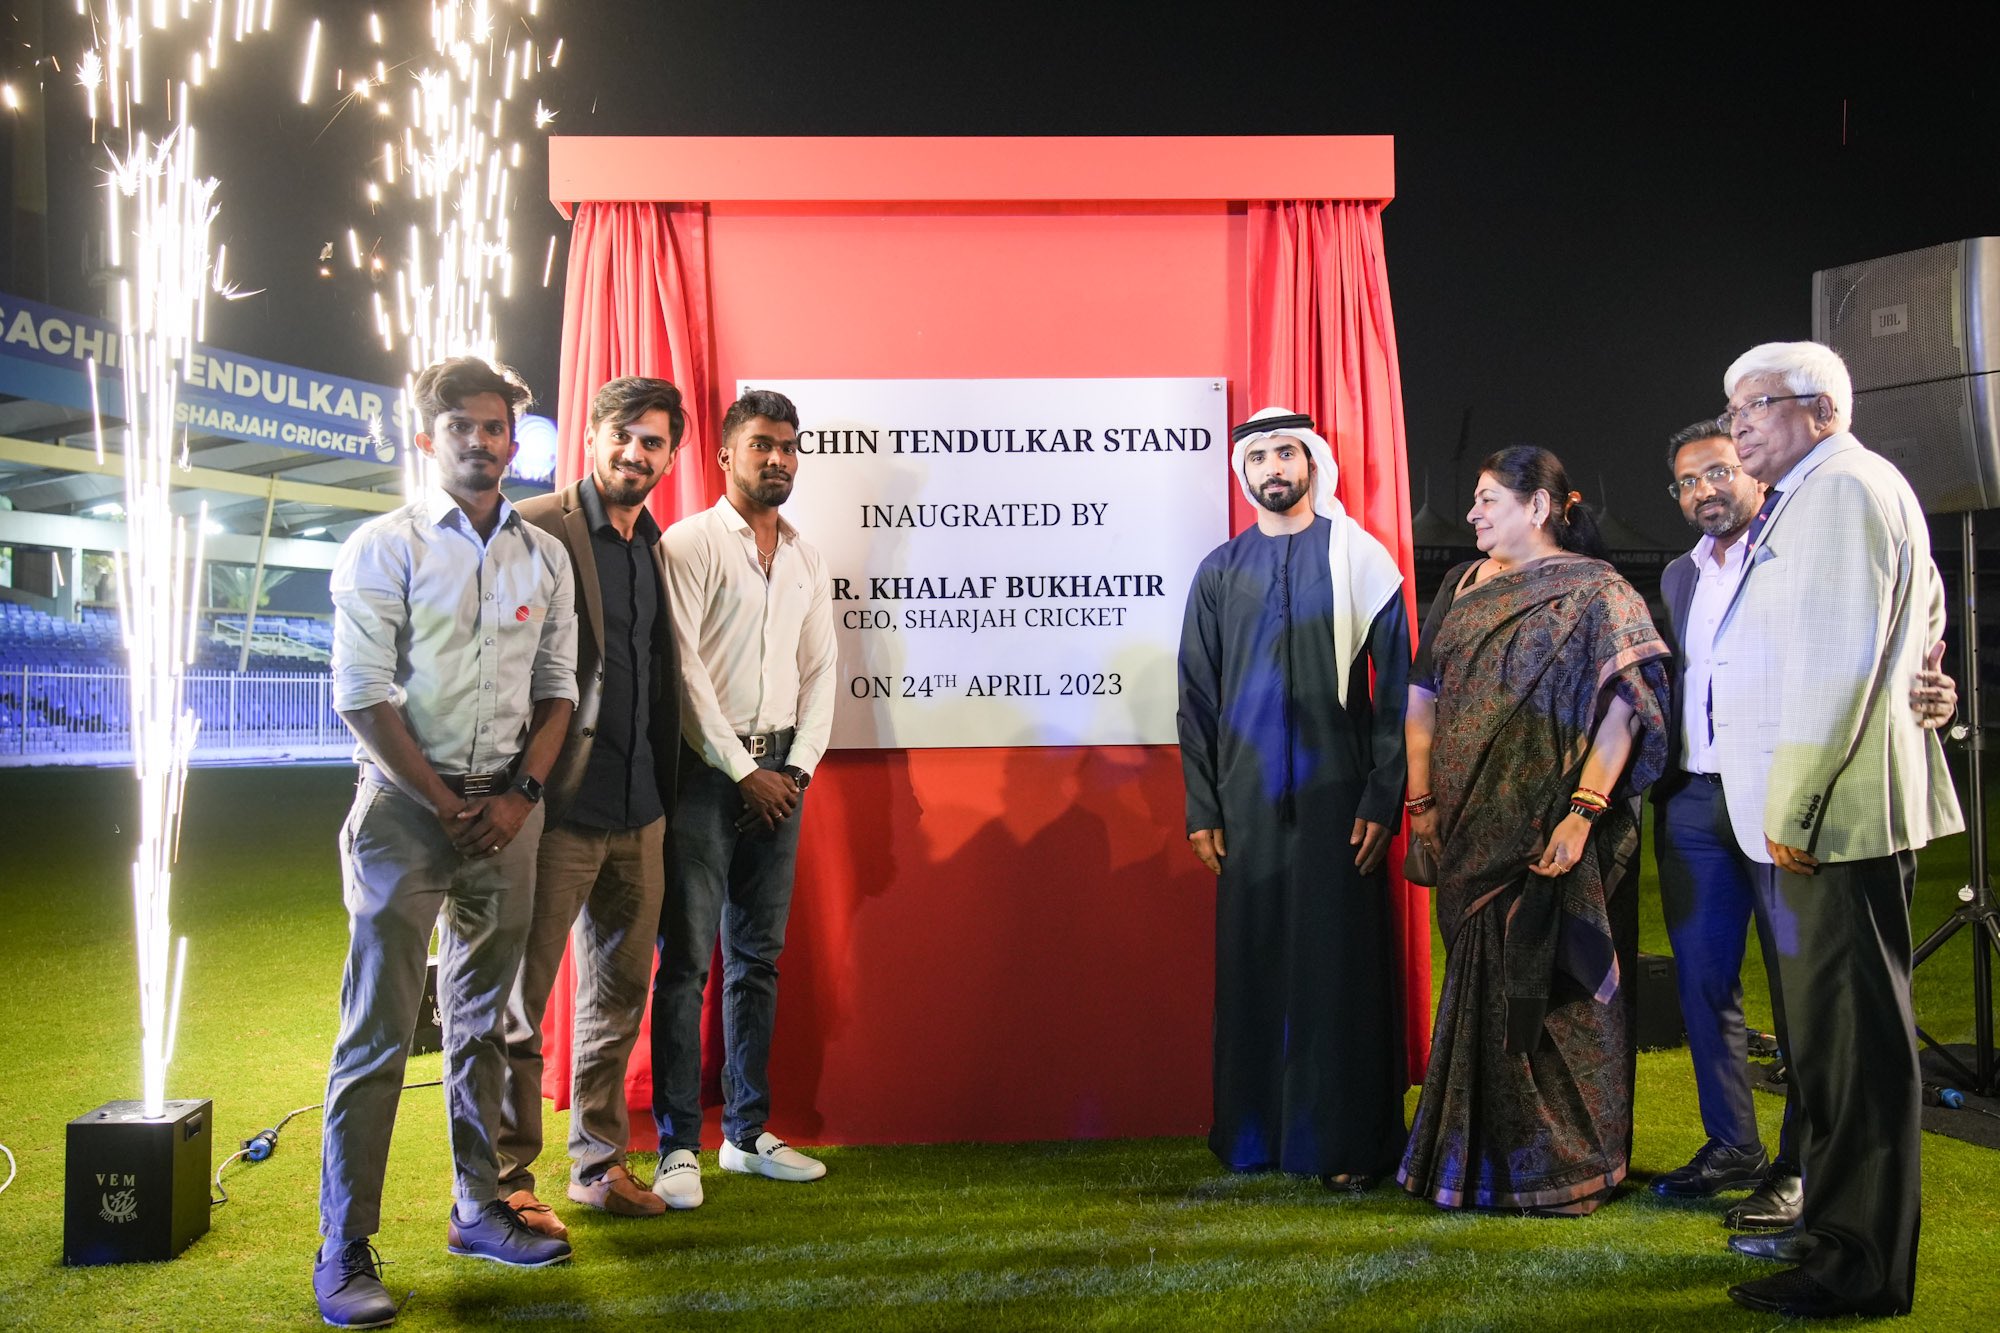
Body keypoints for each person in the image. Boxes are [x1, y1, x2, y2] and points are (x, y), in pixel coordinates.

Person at [315, 357, 579, 1328]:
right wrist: (440, 801)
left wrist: (519, 797)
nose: (480, 440)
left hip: (508, 815)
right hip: (402, 815)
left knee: (484, 1026)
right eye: (460, 426)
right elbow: (360, 694)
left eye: (494, 426)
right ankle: (344, 1245)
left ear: (513, 439)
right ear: (428, 439)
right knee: (377, 1033)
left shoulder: (542, 556)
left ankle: (479, 1208)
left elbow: (558, 692)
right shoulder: (383, 547)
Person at [1649, 423, 1958, 1240]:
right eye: (1686, 482)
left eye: (1718, 470)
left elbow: (1898, 628)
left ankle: (1800, 1167)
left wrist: (1931, 687)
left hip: (1783, 796)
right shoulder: (1679, 576)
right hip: (1694, 801)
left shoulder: (1799, 547)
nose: (1703, 491)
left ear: (1752, 470)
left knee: (1802, 995)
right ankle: (1731, 1146)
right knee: (1704, 983)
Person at [1708, 342, 1961, 1319]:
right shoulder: (1823, 492)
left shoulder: (1843, 489)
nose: (1736, 423)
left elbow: (1834, 665)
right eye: (1730, 407)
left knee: (1852, 1053)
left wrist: (1798, 807)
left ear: (1819, 408)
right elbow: (1921, 617)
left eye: (1755, 404)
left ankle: (1855, 1264)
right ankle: (1837, 1236)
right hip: (1824, 822)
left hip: (1831, 826)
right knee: (1830, 1048)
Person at [1398, 446, 1671, 1216]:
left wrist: (1583, 812)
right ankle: (1472, 1155)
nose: (1473, 513)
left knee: (1554, 993)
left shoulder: (1598, 593)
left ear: (1540, 507)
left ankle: (1566, 1163)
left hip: (1554, 830)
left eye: (1488, 499)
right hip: (1466, 826)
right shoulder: (1462, 586)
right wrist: (1422, 803)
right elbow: (1423, 698)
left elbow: (1626, 708)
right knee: (1478, 985)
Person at [1176, 406, 1411, 1186]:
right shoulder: (1219, 571)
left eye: (1286, 453)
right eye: (1259, 456)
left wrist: (1382, 796)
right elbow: (1196, 698)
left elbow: (1398, 696)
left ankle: (1346, 1144)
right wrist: (1203, 806)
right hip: (1244, 804)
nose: (1273, 467)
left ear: (1311, 462)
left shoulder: (1360, 559)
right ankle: (1254, 1136)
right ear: (1243, 471)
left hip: (1340, 801)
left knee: (1338, 969)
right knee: (1253, 962)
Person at [495, 378, 687, 1233]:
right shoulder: (535, 526)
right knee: (518, 1003)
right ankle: (505, 1180)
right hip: (553, 807)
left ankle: (598, 1165)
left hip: (641, 810)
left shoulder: (655, 545)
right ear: (593, 437)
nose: (635, 454)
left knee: (616, 1001)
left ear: (671, 455)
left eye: (652, 442)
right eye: (623, 435)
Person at [651, 387, 836, 1201]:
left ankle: (747, 1132)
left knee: (757, 960)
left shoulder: (805, 556)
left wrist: (796, 770)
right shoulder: (689, 544)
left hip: (783, 777)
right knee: (687, 962)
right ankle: (676, 1147)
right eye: (762, 444)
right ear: (726, 453)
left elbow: (822, 669)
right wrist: (741, 770)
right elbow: (684, 672)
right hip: (704, 775)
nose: (778, 458)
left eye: (789, 446)